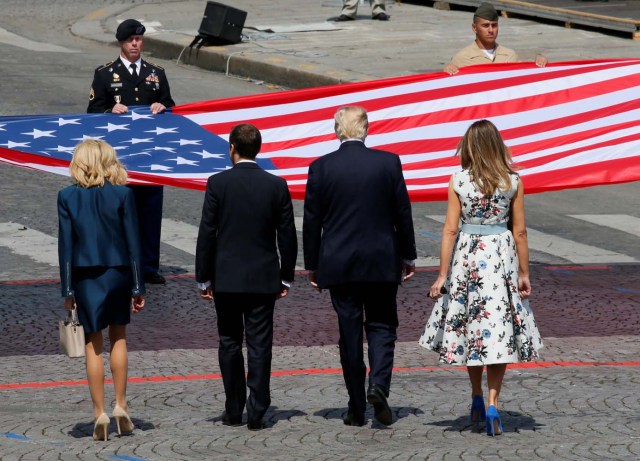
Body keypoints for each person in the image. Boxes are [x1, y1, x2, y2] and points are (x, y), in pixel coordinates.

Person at [418, 119, 543, 436]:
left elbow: (449, 230)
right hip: (500, 256)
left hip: (468, 258)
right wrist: (525, 273)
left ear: (470, 148)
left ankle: (475, 395)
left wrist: (442, 275)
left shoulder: (459, 181)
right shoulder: (512, 182)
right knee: (499, 332)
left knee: (473, 329)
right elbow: (521, 231)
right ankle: (492, 404)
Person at [303, 106, 416, 427]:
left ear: (337, 130)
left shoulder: (321, 167)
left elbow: (312, 221)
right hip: (381, 260)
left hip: (339, 262)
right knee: (382, 326)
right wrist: (408, 255)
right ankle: (378, 385)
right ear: (366, 129)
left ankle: (355, 404)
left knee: (349, 333)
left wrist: (312, 264)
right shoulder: (387, 163)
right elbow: (401, 213)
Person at [195, 124, 297, 431]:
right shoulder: (276, 185)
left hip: (226, 277)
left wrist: (203, 277)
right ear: (259, 149)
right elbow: (288, 236)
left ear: (232, 148)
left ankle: (233, 406)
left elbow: (207, 233)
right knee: (259, 344)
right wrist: (286, 276)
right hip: (264, 277)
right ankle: (258, 408)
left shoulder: (218, 183)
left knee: (228, 342)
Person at [58, 140, 146, 441]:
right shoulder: (123, 193)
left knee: (92, 344)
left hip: (84, 274)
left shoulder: (67, 196)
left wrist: (67, 288)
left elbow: (65, 246)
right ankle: (121, 405)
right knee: (119, 337)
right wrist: (138, 285)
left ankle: (99, 413)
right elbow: (135, 242)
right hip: (118, 271)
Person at [87, 18, 176, 285]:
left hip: (149, 155)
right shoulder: (104, 74)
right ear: (121, 43)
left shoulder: (156, 73)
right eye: (130, 40)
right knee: (117, 212)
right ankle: (119, 263)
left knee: (150, 211)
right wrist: (109, 111)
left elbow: (171, 106)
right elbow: (92, 113)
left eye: (138, 40)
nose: (135, 44)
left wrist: (163, 107)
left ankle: (149, 266)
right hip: (117, 158)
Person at [443, 2, 548, 75]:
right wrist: (447, 72)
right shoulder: (461, 59)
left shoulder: (510, 55)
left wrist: (539, 62)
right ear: (474, 28)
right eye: (485, 25)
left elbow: (523, 76)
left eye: (494, 25)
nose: (490, 30)